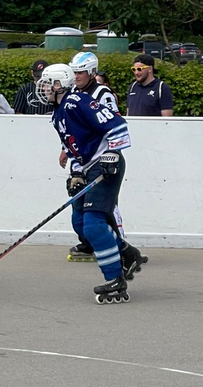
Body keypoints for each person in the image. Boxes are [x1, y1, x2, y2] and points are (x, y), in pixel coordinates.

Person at [37, 63, 134, 304]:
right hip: (88, 166)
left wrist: (112, 153)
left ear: (60, 85)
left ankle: (115, 278)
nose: (44, 87)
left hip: (105, 164)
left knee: (93, 224)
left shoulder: (76, 102)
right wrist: (76, 173)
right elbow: (75, 147)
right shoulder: (58, 112)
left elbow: (116, 123)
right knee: (79, 221)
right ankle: (125, 252)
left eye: (48, 83)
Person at [62, 52, 146, 274]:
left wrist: (113, 155)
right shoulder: (71, 94)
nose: (76, 76)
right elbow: (73, 129)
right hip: (83, 160)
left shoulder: (102, 93)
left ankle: (119, 245)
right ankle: (99, 244)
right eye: (74, 72)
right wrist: (65, 151)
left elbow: (113, 124)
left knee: (106, 208)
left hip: (103, 158)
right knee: (79, 208)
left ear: (91, 72)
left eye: (80, 72)